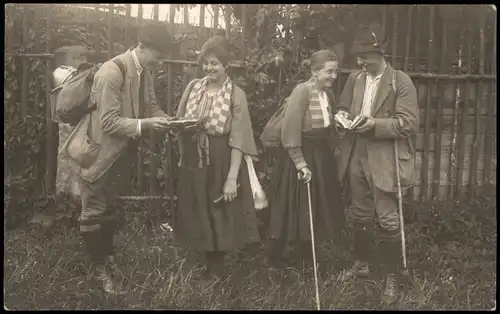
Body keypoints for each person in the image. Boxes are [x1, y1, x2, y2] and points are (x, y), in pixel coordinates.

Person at [62, 22, 176, 295]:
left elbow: (149, 104)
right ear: (143, 47)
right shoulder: (111, 72)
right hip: (93, 152)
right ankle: (98, 269)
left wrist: (167, 119)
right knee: (93, 210)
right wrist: (147, 124)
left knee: (109, 208)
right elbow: (109, 122)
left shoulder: (143, 70)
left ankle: (108, 259)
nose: (159, 62)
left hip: (117, 153)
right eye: (158, 56)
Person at [335, 22, 419, 303]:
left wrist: (374, 125)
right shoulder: (355, 79)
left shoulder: (400, 82)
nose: (360, 62)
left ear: (380, 53)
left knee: (387, 218)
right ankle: (361, 265)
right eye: (358, 57)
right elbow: (342, 106)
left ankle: (392, 277)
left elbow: (408, 124)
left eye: (365, 57)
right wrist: (342, 118)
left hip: (385, 158)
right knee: (360, 214)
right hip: (357, 154)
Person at [173, 36, 261, 280]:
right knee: (198, 208)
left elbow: (239, 138)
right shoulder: (193, 88)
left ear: (226, 66)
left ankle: (217, 271)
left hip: (222, 157)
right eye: (206, 63)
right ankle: (207, 265)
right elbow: (179, 120)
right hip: (194, 157)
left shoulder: (236, 95)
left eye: (215, 64)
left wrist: (232, 177)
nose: (210, 68)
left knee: (218, 210)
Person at [266, 50, 345, 270]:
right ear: (315, 70)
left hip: (320, 156)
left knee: (314, 206)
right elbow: (290, 131)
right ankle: (278, 261)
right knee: (292, 206)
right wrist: (300, 162)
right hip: (299, 155)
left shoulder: (327, 95)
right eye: (329, 71)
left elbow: (325, 128)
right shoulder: (302, 91)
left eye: (336, 72)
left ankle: (305, 258)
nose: (333, 76)